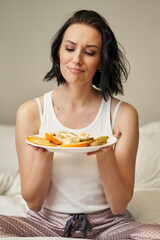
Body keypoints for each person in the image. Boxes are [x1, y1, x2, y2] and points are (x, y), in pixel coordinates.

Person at [0, 9, 160, 239]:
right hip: (45, 222)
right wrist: (46, 151)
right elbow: (34, 204)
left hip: (109, 224)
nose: (77, 59)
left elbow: (118, 205)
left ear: (101, 62)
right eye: (70, 48)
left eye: (90, 52)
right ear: (58, 54)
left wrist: (105, 154)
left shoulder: (123, 114)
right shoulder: (30, 112)